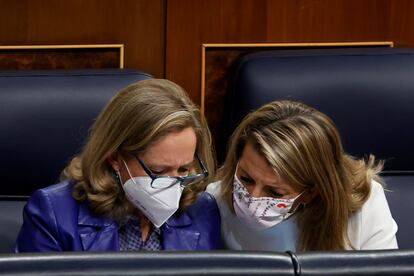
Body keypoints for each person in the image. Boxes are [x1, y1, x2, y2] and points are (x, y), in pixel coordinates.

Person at [15, 79, 221, 252]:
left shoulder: (202, 210)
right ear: (115, 158)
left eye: (183, 169)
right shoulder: (53, 213)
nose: (174, 184)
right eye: (158, 172)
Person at [207, 100, 398, 251]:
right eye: (246, 179)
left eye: (275, 192)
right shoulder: (215, 200)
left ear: (311, 192)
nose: (252, 198)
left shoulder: (364, 203)